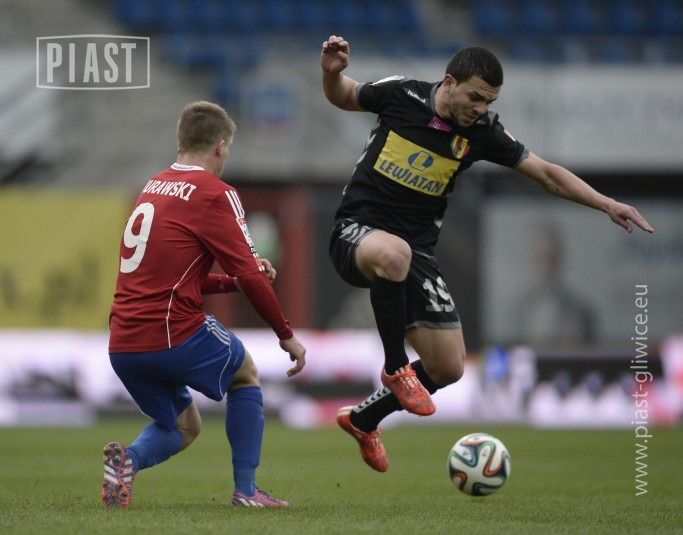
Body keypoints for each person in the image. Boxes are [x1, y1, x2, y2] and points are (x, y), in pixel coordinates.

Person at [320, 35, 654, 472]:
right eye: (475, 97)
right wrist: (331, 74)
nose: (480, 108)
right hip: (356, 232)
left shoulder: (482, 133)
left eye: (489, 101)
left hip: (415, 252)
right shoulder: (402, 94)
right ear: (449, 83)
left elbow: (547, 174)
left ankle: (364, 420)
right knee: (394, 253)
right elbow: (344, 95)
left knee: (448, 367)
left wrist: (606, 203)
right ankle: (396, 368)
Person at [103, 101, 306, 508]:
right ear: (220, 146)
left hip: (123, 343)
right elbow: (252, 274)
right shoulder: (216, 193)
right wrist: (286, 334)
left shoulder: (153, 186)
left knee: (185, 425)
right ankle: (247, 491)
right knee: (244, 373)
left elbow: (173, 277)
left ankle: (128, 461)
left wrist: (231, 283)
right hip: (171, 332)